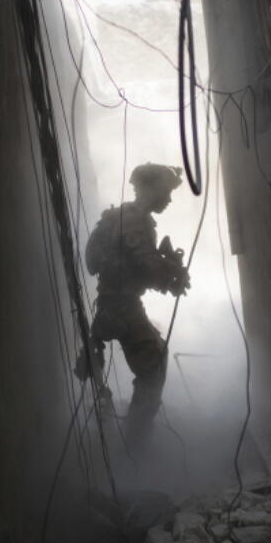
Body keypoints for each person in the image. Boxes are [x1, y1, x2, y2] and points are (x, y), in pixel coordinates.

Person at [77, 163, 190, 439]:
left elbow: (125, 266)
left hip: (114, 306)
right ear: (149, 189)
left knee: (155, 357)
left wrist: (168, 276)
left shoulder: (120, 217)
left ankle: (131, 433)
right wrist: (171, 274)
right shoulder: (134, 220)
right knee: (153, 367)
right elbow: (145, 263)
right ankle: (137, 442)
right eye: (165, 191)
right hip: (121, 308)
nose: (169, 198)